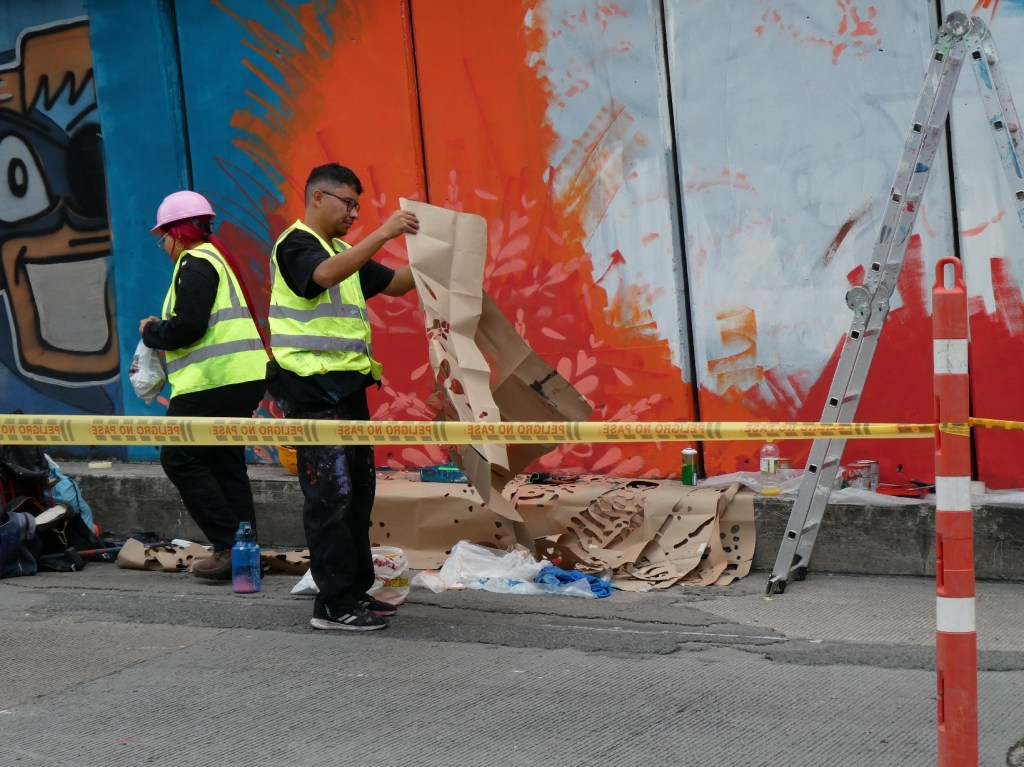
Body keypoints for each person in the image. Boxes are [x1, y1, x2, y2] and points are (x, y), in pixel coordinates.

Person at [267, 163, 419, 631]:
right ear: (317, 198)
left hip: (347, 389)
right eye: (347, 203)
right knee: (330, 499)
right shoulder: (296, 245)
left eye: (358, 205)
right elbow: (323, 277)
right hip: (311, 392)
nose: (354, 212)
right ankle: (332, 605)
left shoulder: (345, 251)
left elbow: (393, 284)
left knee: (357, 498)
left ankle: (355, 591)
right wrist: (385, 232)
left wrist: (437, 259)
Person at [140, 191, 269, 580]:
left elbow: (188, 328)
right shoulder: (215, 259)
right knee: (224, 463)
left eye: (162, 237)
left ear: (176, 234)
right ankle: (246, 550)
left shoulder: (194, 263)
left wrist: (151, 332)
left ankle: (230, 545)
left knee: (179, 458)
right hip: (240, 379)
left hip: (213, 382)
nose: (162, 245)